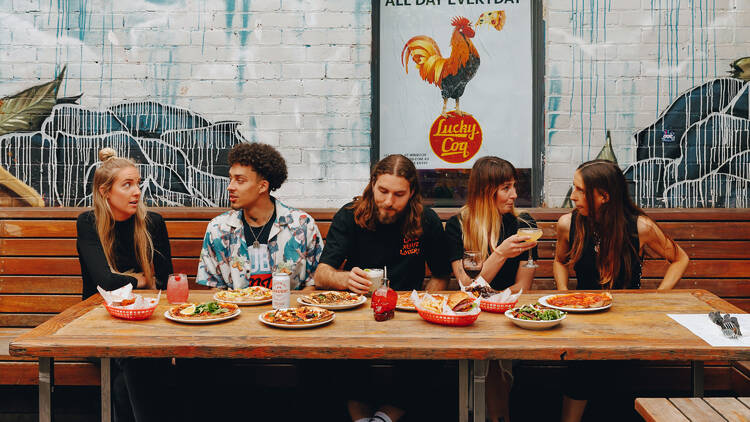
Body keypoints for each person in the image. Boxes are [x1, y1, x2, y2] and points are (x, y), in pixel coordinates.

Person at [314, 154, 452, 422]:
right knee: (331, 352)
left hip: (407, 313)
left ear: (412, 192)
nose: (389, 202)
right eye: (383, 191)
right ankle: (362, 418)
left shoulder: (427, 220)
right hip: (357, 312)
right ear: (372, 184)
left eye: (399, 194)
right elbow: (321, 274)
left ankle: (384, 417)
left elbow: (441, 274)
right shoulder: (349, 215)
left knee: (434, 353)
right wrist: (344, 279)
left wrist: (425, 304)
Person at [553, 159, 689, 422]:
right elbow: (559, 260)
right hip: (583, 320)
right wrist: (564, 294)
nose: (573, 196)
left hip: (628, 324)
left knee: (617, 387)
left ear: (604, 196)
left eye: (580, 190)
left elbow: (679, 259)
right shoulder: (567, 224)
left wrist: (659, 297)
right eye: (574, 188)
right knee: (578, 374)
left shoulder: (641, 227)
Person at [76, 148, 173, 422]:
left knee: (134, 367)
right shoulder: (89, 223)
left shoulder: (152, 222)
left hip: (146, 322)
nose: (137, 192)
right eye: (127, 185)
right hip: (97, 325)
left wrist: (132, 280)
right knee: (138, 359)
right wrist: (140, 279)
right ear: (106, 191)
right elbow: (104, 281)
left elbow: (167, 282)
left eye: (138, 184)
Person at [445, 156, 538, 422]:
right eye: (506, 188)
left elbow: (523, 287)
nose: (514, 195)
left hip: (509, 315)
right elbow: (467, 289)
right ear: (487, 192)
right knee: (490, 356)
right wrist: (499, 253)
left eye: (514, 186)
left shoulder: (525, 226)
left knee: (494, 356)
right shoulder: (458, 226)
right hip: (470, 316)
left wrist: (494, 299)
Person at [196, 142, 323, 291]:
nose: (230, 186)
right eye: (230, 179)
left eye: (240, 180)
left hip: (288, 312)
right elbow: (215, 289)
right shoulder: (218, 228)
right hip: (236, 311)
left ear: (262, 186)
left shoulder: (302, 225)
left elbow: (313, 284)